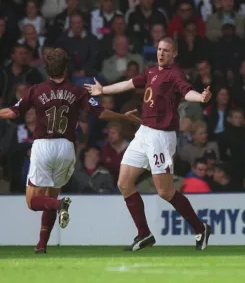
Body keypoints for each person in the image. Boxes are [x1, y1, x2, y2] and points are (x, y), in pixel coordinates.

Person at [0, 48, 140, 254]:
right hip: (66, 147)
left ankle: (59, 205)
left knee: (33, 201)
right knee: (52, 191)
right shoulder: (77, 91)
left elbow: (13, 111)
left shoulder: (36, 90)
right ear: (66, 68)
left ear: (47, 68)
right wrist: (123, 116)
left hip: (43, 145)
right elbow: (99, 112)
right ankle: (41, 245)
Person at [85, 36, 212, 252]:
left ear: (174, 54)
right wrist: (102, 90)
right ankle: (144, 234)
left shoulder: (175, 75)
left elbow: (186, 91)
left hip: (161, 137)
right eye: (159, 49)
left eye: (166, 50)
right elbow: (128, 83)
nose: (161, 53)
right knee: (124, 183)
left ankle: (201, 228)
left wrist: (200, 97)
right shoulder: (152, 71)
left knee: (165, 191)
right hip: (144, 132)